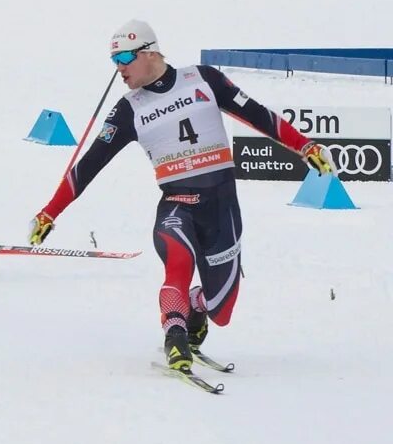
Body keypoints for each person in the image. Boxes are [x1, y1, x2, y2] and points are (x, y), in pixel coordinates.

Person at [26, 20, 335, 372]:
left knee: (223, 309)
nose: (119, 68)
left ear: (151, 52)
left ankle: (196, 305)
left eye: (125, 57)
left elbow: (258, 116)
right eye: (114, 61)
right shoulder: (128, 109)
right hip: (176, 205)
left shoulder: (203, 78)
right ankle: (174, 334)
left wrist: (304, 145)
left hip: (221, 208)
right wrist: (50, 213)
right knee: (178, 263)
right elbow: (88, 166)